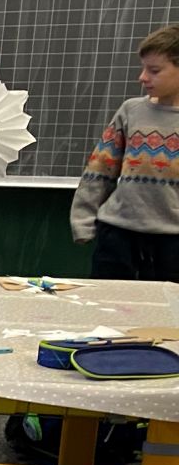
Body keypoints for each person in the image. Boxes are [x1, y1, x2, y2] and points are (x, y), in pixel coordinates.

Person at [72, 24, 179, 279]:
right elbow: (100, 169)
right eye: (143, 68)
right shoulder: (131, 111)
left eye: (154, 71)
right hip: (118, 235)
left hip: (172, 242)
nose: (143, 77)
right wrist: (83, 220)